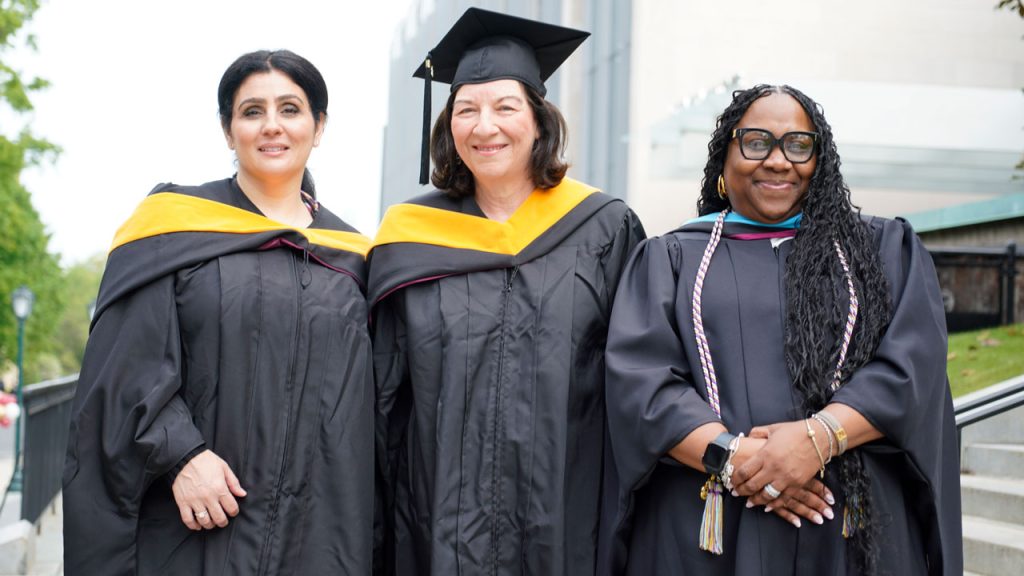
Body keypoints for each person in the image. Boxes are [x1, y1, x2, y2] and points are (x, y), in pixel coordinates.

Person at [602, 84, 962, 575]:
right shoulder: (671, 259)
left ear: (821, 161)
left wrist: (818, 438)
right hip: (708, 530)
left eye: (798, 145)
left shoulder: (881, 251)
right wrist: (738, 459)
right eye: (756, 142)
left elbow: (911, 366)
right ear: (724, 154)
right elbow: (642, 383)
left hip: (850, 529)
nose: (777, 161)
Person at [63, 50, 374, 575]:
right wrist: (180, 455)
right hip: (195, 526)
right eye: (251, 111)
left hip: (316, 533)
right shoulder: (173, 228)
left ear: (319, 127)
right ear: (229, 131)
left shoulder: (355, 257)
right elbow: (124, 366)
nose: (271, 126)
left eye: (290, 109)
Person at [369, 8, 645, 575]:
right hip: (433, 525)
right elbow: (380, 396)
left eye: (505, 107)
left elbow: (636, 380)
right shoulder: (407, 239)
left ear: (540, 122)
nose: (484, 125)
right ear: (448, 127)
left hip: (568, 522)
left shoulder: (603, 227)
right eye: (466, 109)